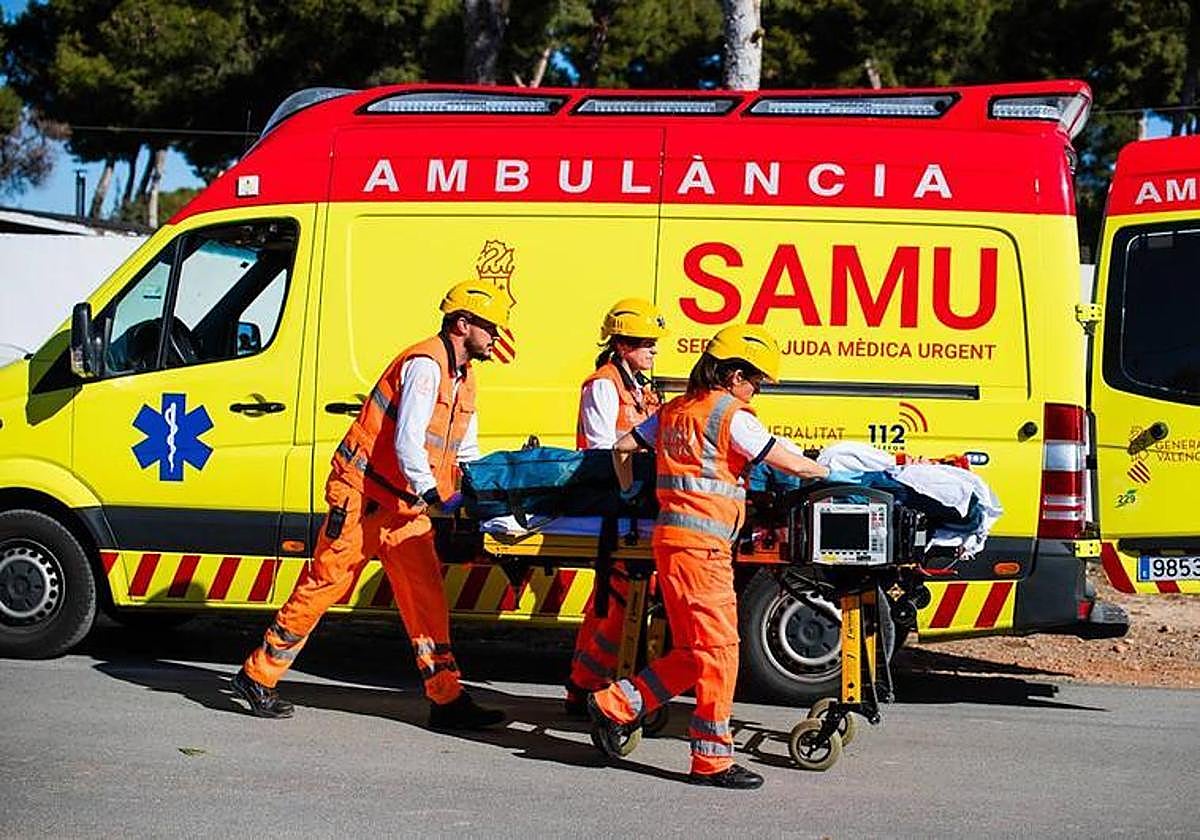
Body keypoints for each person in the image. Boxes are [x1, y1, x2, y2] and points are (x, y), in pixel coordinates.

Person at [230, 280, 512, 731]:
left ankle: (446, 698)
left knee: (427, 597)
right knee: (327, 583)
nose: (497, 337)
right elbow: (407, 444)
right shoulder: (425, 365)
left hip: (403, 505)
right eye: (491, 327)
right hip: (363, 494)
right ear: (463, 324)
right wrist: (439, 496)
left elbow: (466, 448)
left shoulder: (465, 377)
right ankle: (256, 676)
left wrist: (480, 494)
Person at [586, 324, 836, 789]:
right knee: (721, 652)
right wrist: (829, 470)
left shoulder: (676, 409)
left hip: (672, 545)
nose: (757, 388)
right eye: (756, 379)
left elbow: (621, 447)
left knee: (693, 652)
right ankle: (711, 761)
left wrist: (631, 491)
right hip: (703, 552)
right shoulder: (730, 414)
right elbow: (791, 463)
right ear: (735, 373)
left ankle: (615, 705)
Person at [564, 298, 667, 716]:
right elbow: (601, 447)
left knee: (613, 601)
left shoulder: (639, 386)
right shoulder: (603, 384)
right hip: (613, 500)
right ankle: (584, 686)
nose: (654, 351)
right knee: (612, 602)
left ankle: (586, 685)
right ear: (622, 346)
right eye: (646, 344)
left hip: (632, 502)